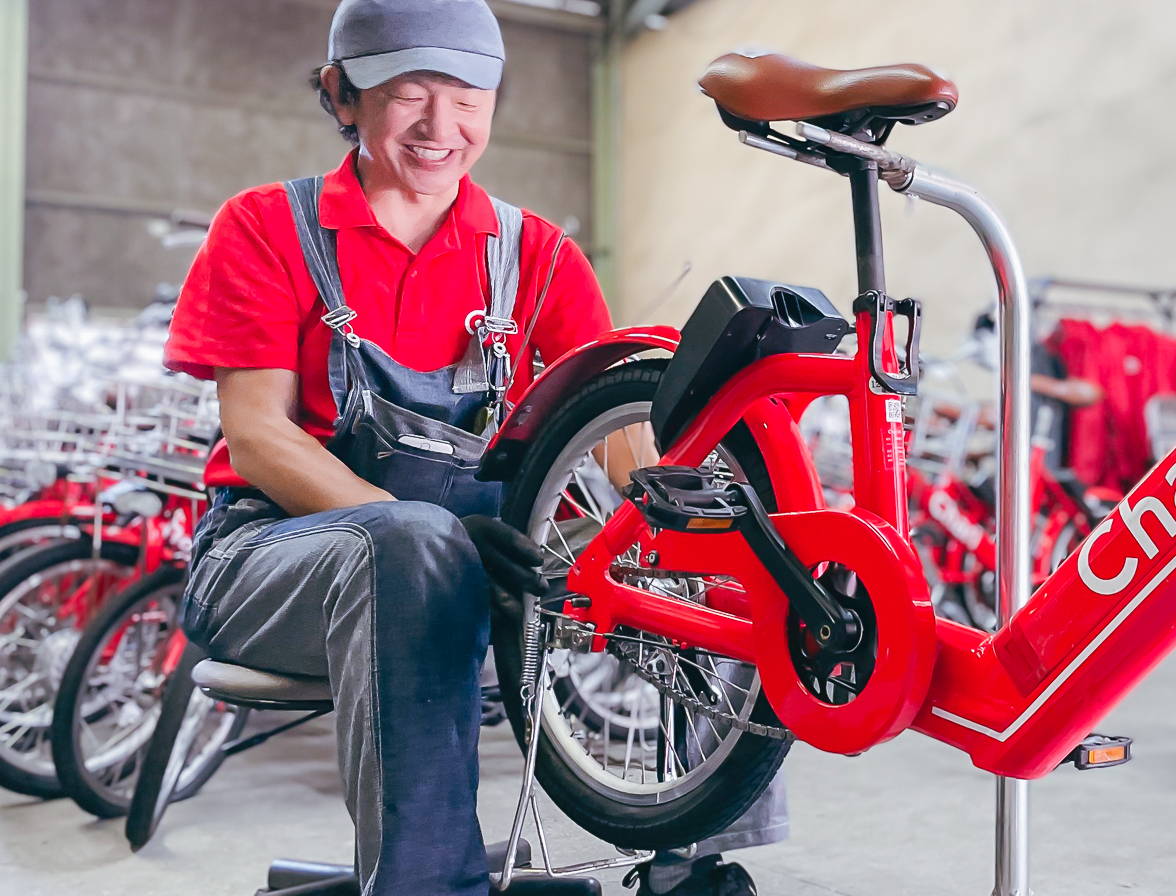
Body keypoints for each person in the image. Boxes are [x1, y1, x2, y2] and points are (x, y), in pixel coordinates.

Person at [165, 2, 777, 894]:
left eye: (467, 97)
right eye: (408, 93)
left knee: (724, 549)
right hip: (269, 560)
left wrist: (703, 537)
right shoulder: (267, 227)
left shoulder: (538, 256)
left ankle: (692, 865)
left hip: (481, 569)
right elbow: (258, 437)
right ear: (343, 95)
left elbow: (616, 443)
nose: (440, 127)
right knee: (412, 549)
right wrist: (426, 532)